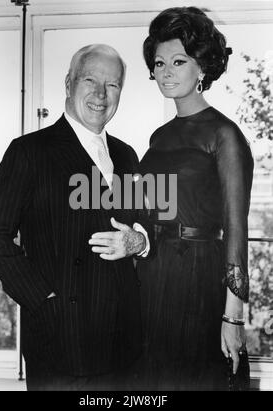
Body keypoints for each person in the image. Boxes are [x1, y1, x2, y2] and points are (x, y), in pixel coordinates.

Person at [0, 44, 153, 391]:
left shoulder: (126, 154)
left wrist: (140, 241)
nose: (101, 94)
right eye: (90, 80)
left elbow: (142, 223)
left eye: (113, 84)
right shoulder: (29, 152)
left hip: (125, 345)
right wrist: (44, 300)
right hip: (61, 342)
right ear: (69, 83)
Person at [137, 7, 254, 390]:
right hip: (153, 274)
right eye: (159, 63)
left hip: (200, 276)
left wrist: (233, 318)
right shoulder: (158, 137)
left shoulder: (225, 135)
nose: (165, 71)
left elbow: (237, 230)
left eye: (178, 61)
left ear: (201, 67)